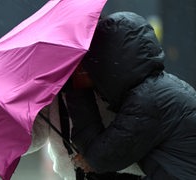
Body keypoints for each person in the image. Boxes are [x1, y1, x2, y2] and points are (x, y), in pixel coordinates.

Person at [69, 11, 196, 179]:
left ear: (107, 63)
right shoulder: (161, 89)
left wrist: (77, 88)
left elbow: (100, 158)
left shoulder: (148, 102)